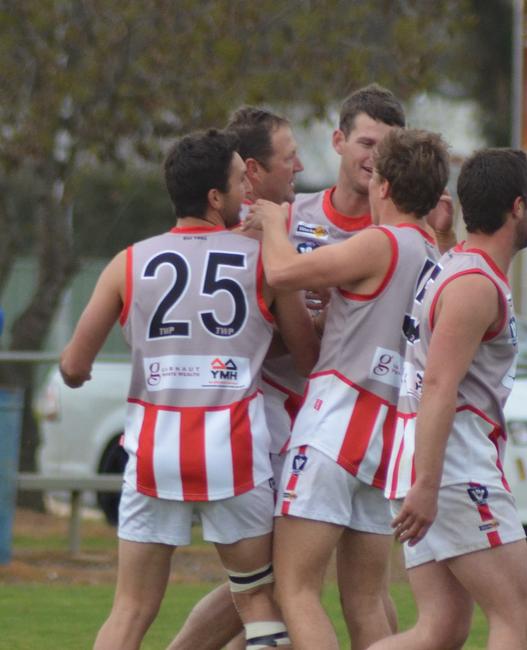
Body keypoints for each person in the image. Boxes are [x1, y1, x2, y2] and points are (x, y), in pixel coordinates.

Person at [59, 127, 319, 650]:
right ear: (214, 197)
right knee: (257, 600)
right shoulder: (264, 260)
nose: (249, 193)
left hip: (155, 452)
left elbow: (71, 365)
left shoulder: (128, 262)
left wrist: (87, 372)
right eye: (239, 183)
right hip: (234, 451)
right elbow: (307, 354)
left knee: (130, 611)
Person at [245, 127, 451, 650]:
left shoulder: (382, 241)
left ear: (383, 186)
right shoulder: (433, 253)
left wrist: (273, 220)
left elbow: (285, 270)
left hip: (336, 422)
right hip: (384, 434)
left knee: (295, 589)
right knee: (364, 600)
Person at [374, 148, 527, 650]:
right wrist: (427, 484)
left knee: (440, 630)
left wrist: (445, 236)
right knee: (516, 617)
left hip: (428, 462)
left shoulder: (457, 264)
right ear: (516, 206)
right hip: (452, 466)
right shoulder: (473, 284)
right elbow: (440, 386)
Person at [167, 106, 304, 650]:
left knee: (261, 583)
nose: (299, 166)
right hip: (247, 429)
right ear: (249, 172)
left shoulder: (156, 252)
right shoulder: (253, 239)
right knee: (269, 583)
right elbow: (308, 350)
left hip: (187, 433)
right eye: (289, 157)